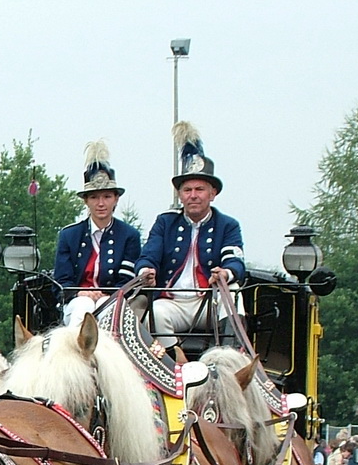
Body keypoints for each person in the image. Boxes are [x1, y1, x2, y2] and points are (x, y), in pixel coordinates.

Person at [134, 123, 246, 348]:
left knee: (232, 293)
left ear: (212, 194)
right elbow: (148, 256)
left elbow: (235, 261)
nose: (193, 196)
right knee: (154, 312)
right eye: (187, 190)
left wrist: (225, 273)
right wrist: (146, 271)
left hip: (208, 302)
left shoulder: (228, 225)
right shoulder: (165, 223)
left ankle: (231, 357)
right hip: (172, 302)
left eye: (200, 189)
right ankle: (174, 361)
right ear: (180, 195)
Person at [53, 141, 142, 295]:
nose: (101, 204)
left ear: (116, 199)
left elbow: (127, 282)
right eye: (94, 197)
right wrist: (80, 293)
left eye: (107, 197)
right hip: (78, 300)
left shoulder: (129, 236)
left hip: (114, 300)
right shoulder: (69, 236)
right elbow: (62, 282)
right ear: (86, 201)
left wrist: (106, 296)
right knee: (81, 310)